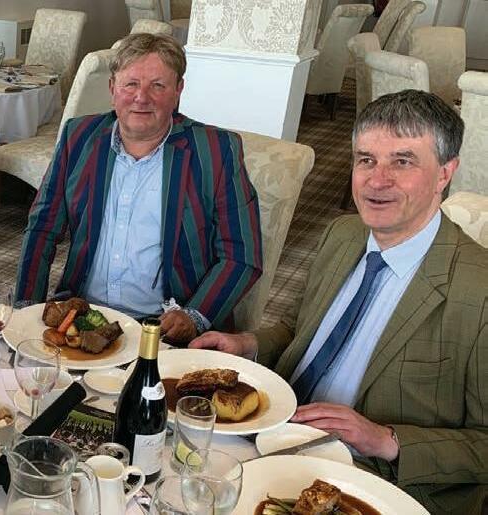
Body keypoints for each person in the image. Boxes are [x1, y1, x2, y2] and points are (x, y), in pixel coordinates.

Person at [191, 90, 488, 514]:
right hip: (277, 433)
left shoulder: (479, 289)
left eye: (402, 162)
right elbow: (298, 330)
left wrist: (387, 439)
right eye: (366, 159)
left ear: (445, 172)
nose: (376, 180)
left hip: (379, 481)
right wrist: (246, 345)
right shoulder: (343, 234)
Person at [15, 32, 262, 342]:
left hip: (165, 330)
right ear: (112, 88)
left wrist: (194, 315)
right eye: (130, 84)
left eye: (157, 85)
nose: (141, 97)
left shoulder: (216, 151)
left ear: (178, 90)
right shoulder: (78, 137)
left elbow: (241, 254)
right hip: (82, 316)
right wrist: (24, 310)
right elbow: (42, 228)